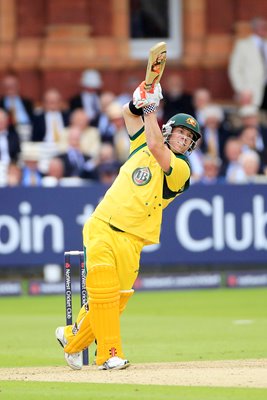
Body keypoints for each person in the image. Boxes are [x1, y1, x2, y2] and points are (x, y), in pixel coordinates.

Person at [55, 79, 202, 371]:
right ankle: (109, 354)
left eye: (190, 138)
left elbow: (156, 147)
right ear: (169, 130)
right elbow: (127, 113)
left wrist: (150, 109)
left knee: (114, 303)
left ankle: (72, 337)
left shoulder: (182, 169)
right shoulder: (141, 144)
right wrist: (139, 101)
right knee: (105, 293)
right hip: (103, 225)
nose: (184, 139)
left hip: (133, 239)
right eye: (181, 133)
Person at [228, 17, 267, 111]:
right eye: (262, 27)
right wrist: (241, 89)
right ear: (255, 28)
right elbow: (235, 69)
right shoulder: (243, 45)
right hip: (251, 91)